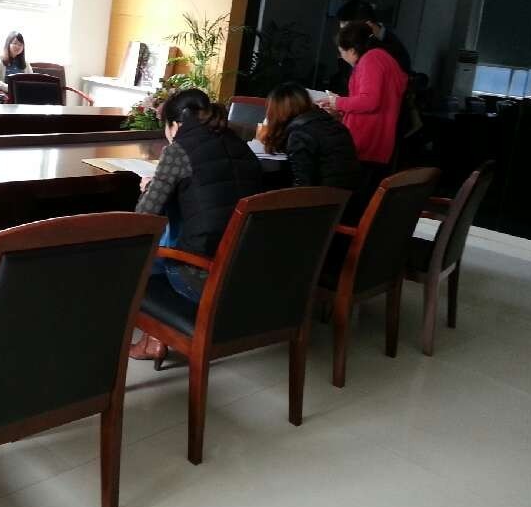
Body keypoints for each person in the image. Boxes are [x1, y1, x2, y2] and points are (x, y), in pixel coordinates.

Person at [129, 88, 265, 361]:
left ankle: (152, 338)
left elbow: (144, 218)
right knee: (183, 224)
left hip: (204, 280)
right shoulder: (240, 145)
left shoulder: (178, 150)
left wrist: (150, 187)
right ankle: (154, 339)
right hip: (249, 276)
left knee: (141, 255)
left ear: (174, 125)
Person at [319, 22, 407, 197]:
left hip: (365, 140)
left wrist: (338, 103)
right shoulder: (385, 58)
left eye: (341, 52)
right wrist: (340, 107)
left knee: (349, 197)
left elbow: (370, 101)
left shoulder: (370, 60)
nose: (341, 57)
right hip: (380, 140)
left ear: (352, 50)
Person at [260, 82, 362, 190]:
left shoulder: (300, 134)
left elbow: (303, 185)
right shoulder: (331, 123)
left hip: (325, 196)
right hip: (350, 193)